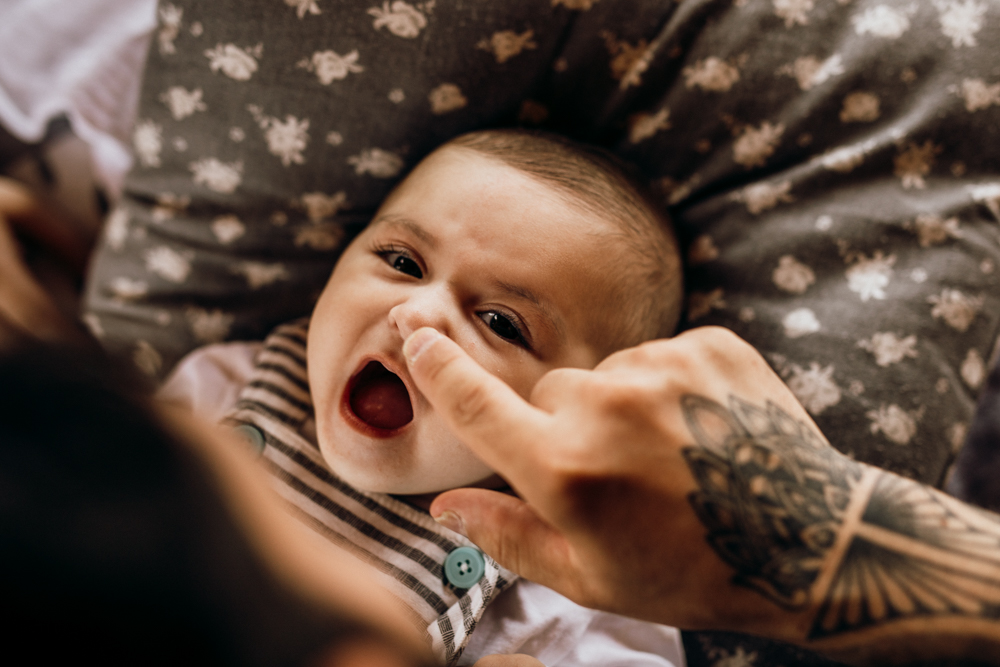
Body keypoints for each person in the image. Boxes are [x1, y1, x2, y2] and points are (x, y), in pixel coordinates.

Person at [159, 129, 687, 666]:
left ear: (575, 416)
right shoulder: (222, 385)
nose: (417, 315)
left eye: (501, 323)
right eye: (403, 263)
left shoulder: (567, 564)